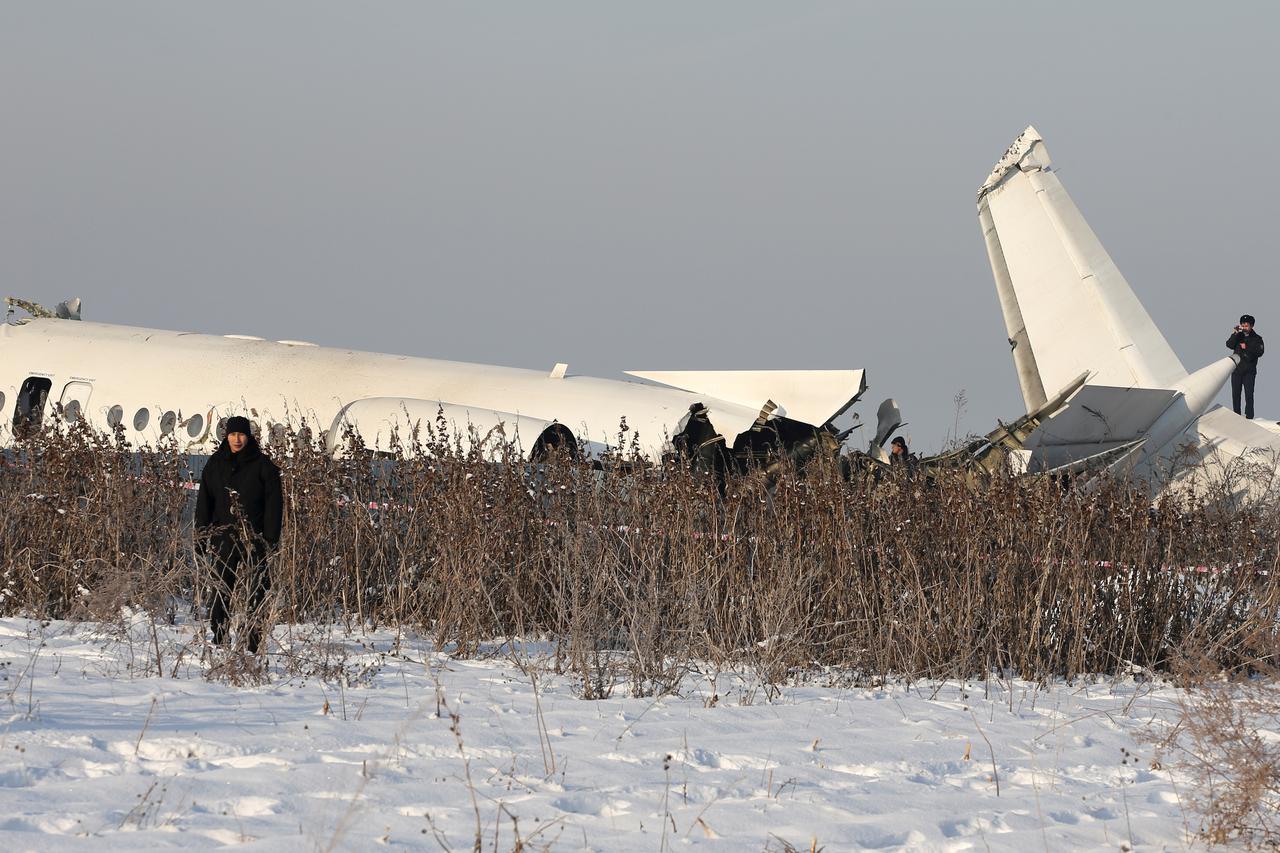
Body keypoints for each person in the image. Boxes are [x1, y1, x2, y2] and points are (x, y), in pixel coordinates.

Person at [195, 416, 282, 653]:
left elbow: (274, 505)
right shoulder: (216, 464)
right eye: (233, 434)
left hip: (255, 538)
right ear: (227, 436)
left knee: (258, 589)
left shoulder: (263, 466)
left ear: (249, 437)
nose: (237, 439)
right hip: (224, 536)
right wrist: (201, 536)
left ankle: (253, 641)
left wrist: (270, 539)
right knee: (222, 588)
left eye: (241, 434)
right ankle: (220, 637)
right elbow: (204, 503)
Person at [1226, 314, 1265, 419]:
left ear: (1251, 326)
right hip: (1237, 370)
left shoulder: (1257, 338)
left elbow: (1260, 352)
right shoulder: (1238, 336)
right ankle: (1236, 416)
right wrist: (1235, 333)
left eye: (1246, 325)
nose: (1244, 327)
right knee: (1235, 394)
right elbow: (1229, 345)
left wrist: (1246, 347)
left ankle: (1249, 416)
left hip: (1249, 371)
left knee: (1249, 394)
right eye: (1242, 325)